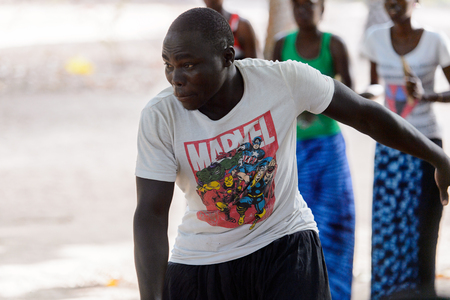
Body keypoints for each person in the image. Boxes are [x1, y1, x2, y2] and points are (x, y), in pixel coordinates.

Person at [134, 7, 450, 300]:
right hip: (202, 260)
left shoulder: (282, 81)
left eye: (188, 65)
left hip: (285, 244)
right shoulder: (161, 116)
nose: (176, 78)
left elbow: (366, 115)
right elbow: (151, 213)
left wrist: (438, 156)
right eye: (168, 65)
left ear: (228, 56)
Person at [360, 0, 450, 298]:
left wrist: (428, 95)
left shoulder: (435, 41)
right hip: (390, 145)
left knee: (424, 230)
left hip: (426, 145)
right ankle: (390, 292)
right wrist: (366, 94)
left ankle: (424, 292)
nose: (393, 4)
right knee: (388, 228)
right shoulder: (375, 38)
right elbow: (375, 85)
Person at [272, 0, 355, 299]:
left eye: (309, 5)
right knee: (298, 226)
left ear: (322, 8)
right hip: (294, 151)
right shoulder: (282, 45)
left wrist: (316, 109)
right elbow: (272, 96)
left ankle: (339, 293)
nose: (303, 11)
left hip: (329, 149)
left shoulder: (334, 45)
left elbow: (351, 97)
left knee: (336, 223)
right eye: (297, 6)